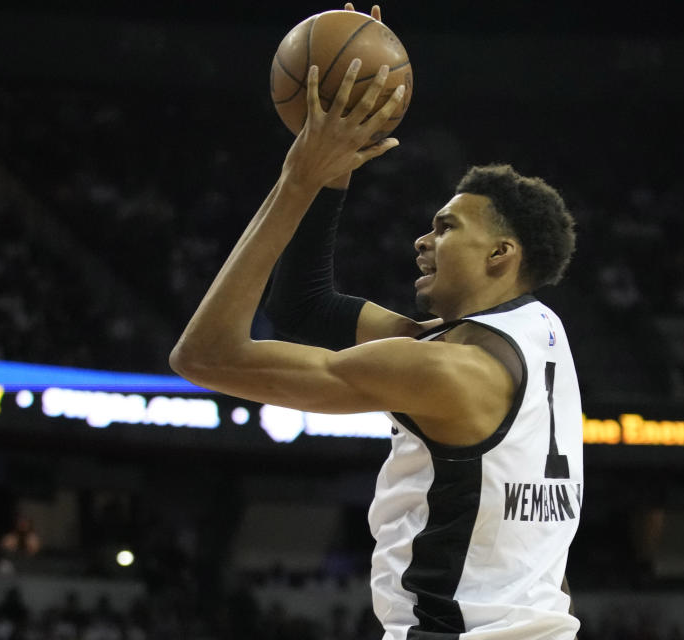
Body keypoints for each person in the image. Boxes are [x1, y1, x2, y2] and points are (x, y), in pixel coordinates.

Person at [170, 6, 583, 638]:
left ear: (503, 254)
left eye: (446, 228)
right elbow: (304, 309)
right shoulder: (534, 333)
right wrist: (335, 172)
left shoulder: (445, 371)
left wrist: (297, 178)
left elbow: (204, 355)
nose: (423, 240)